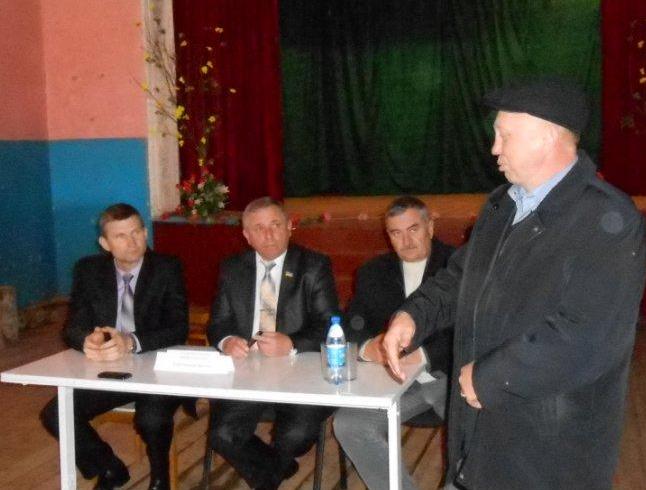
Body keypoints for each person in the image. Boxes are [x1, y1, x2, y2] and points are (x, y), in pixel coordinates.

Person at [383, 77, 646, 490]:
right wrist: (413, 316)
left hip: (550, 454)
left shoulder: (605, 220)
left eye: (505, 135)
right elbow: (460, 278)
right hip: (480, 440)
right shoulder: (501, 206)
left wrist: (489, 378)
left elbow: (586, 335)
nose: (494, 148)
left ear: (546, 136)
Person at [41, 203, 188, 490]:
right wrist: (87, 340)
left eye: (136, 232)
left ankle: (160, 478)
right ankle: (109, 467)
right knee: (56, 413)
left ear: (146, 233)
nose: (132, 242)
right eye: (121, 236)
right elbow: (72, 326)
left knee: (152, 418)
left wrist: (131, 342)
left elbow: (178, 328)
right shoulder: (89, 270)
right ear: (105, 243)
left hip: (158, 369)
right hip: (112, 370)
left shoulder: (167, 268)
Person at [207, 196, 338, 490]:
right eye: (259, 228)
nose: (268, 235)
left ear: (290, 226)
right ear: (247, 235)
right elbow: (217, 323)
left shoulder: (313, 266)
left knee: (295, 437)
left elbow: (329, 325)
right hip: (248, 371)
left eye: (275, 225)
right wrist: (227, 341)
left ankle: (273, 471)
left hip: (300, 371)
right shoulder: (232, 268)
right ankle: (276, 469)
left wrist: (291, 343)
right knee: (222, 434)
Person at [333, 196, 455, 490]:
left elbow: (469, 329)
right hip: (394, 381)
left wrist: (423, 355)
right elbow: (352, 324)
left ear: (430, 227)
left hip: (448, 377)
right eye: (396, 233)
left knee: (478, 432)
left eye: (413, 229)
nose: (406, 241)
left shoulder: (457, 266)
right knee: (348, 424)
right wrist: (369, 348)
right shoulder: (372, 272)